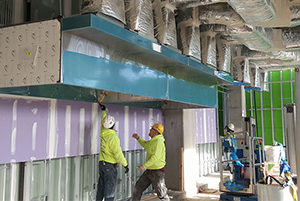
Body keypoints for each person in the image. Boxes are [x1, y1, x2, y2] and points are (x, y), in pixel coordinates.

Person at [96, 94, 129, 201]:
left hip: (102, 164)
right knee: (109, 191)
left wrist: (103, 111)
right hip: (110, 166)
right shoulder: (113, 138)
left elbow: (103, 123)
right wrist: (125, 165)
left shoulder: (103, 132)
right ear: (113, 125)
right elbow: (118, 153)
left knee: (101, 188)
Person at [131, 123, 169, 201]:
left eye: (151, 129)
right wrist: (138, 138)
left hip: (157, 173)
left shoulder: (158, 142)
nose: (149, 130)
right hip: (149, 171)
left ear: (155, 132)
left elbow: (155, 157)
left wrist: (144, 166)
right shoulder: (153, 141)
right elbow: (146, 145)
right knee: (137, 188)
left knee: (162, 194)